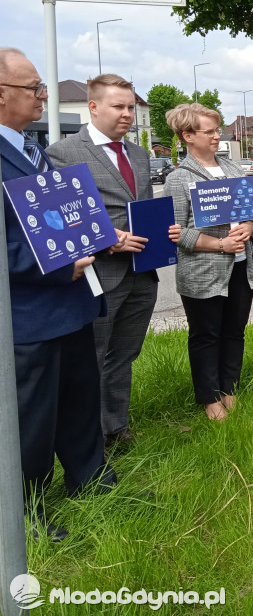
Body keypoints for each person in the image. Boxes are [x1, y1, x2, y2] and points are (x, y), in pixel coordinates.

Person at [0, 47, 116, 541]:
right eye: (34, 89)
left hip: (71, 306)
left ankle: (91, 478)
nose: (43, 96)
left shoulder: (34, 150)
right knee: (32, 418)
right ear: (2, 95)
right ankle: (27, 511)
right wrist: (57, 268)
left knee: (78, 398)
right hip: (29, 316)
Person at [47, 74, 178, 452]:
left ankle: (116, 427)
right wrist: (108, 240)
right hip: (99, 274)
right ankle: (87, 440)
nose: (127, 115)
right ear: (93, 107)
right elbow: (61, 218)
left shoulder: (138, 155)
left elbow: (140, 209)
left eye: (131, 107)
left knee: (125, 354)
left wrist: (163, 230)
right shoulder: (64, 153)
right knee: (93, 358)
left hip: (142, 273)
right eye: (118, 106)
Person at [164, 103, 253, 421]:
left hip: (241, 264)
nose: (217, 137)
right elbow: (176, 233)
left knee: (235, 330)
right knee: (206, 334)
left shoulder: (234, 169)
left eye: (218, 130)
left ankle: (229, 388)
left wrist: (250, 226)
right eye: (210, 131)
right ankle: (209, 397)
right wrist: (220, 243)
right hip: (203, 271)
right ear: (187, 136)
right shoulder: (178, 180)